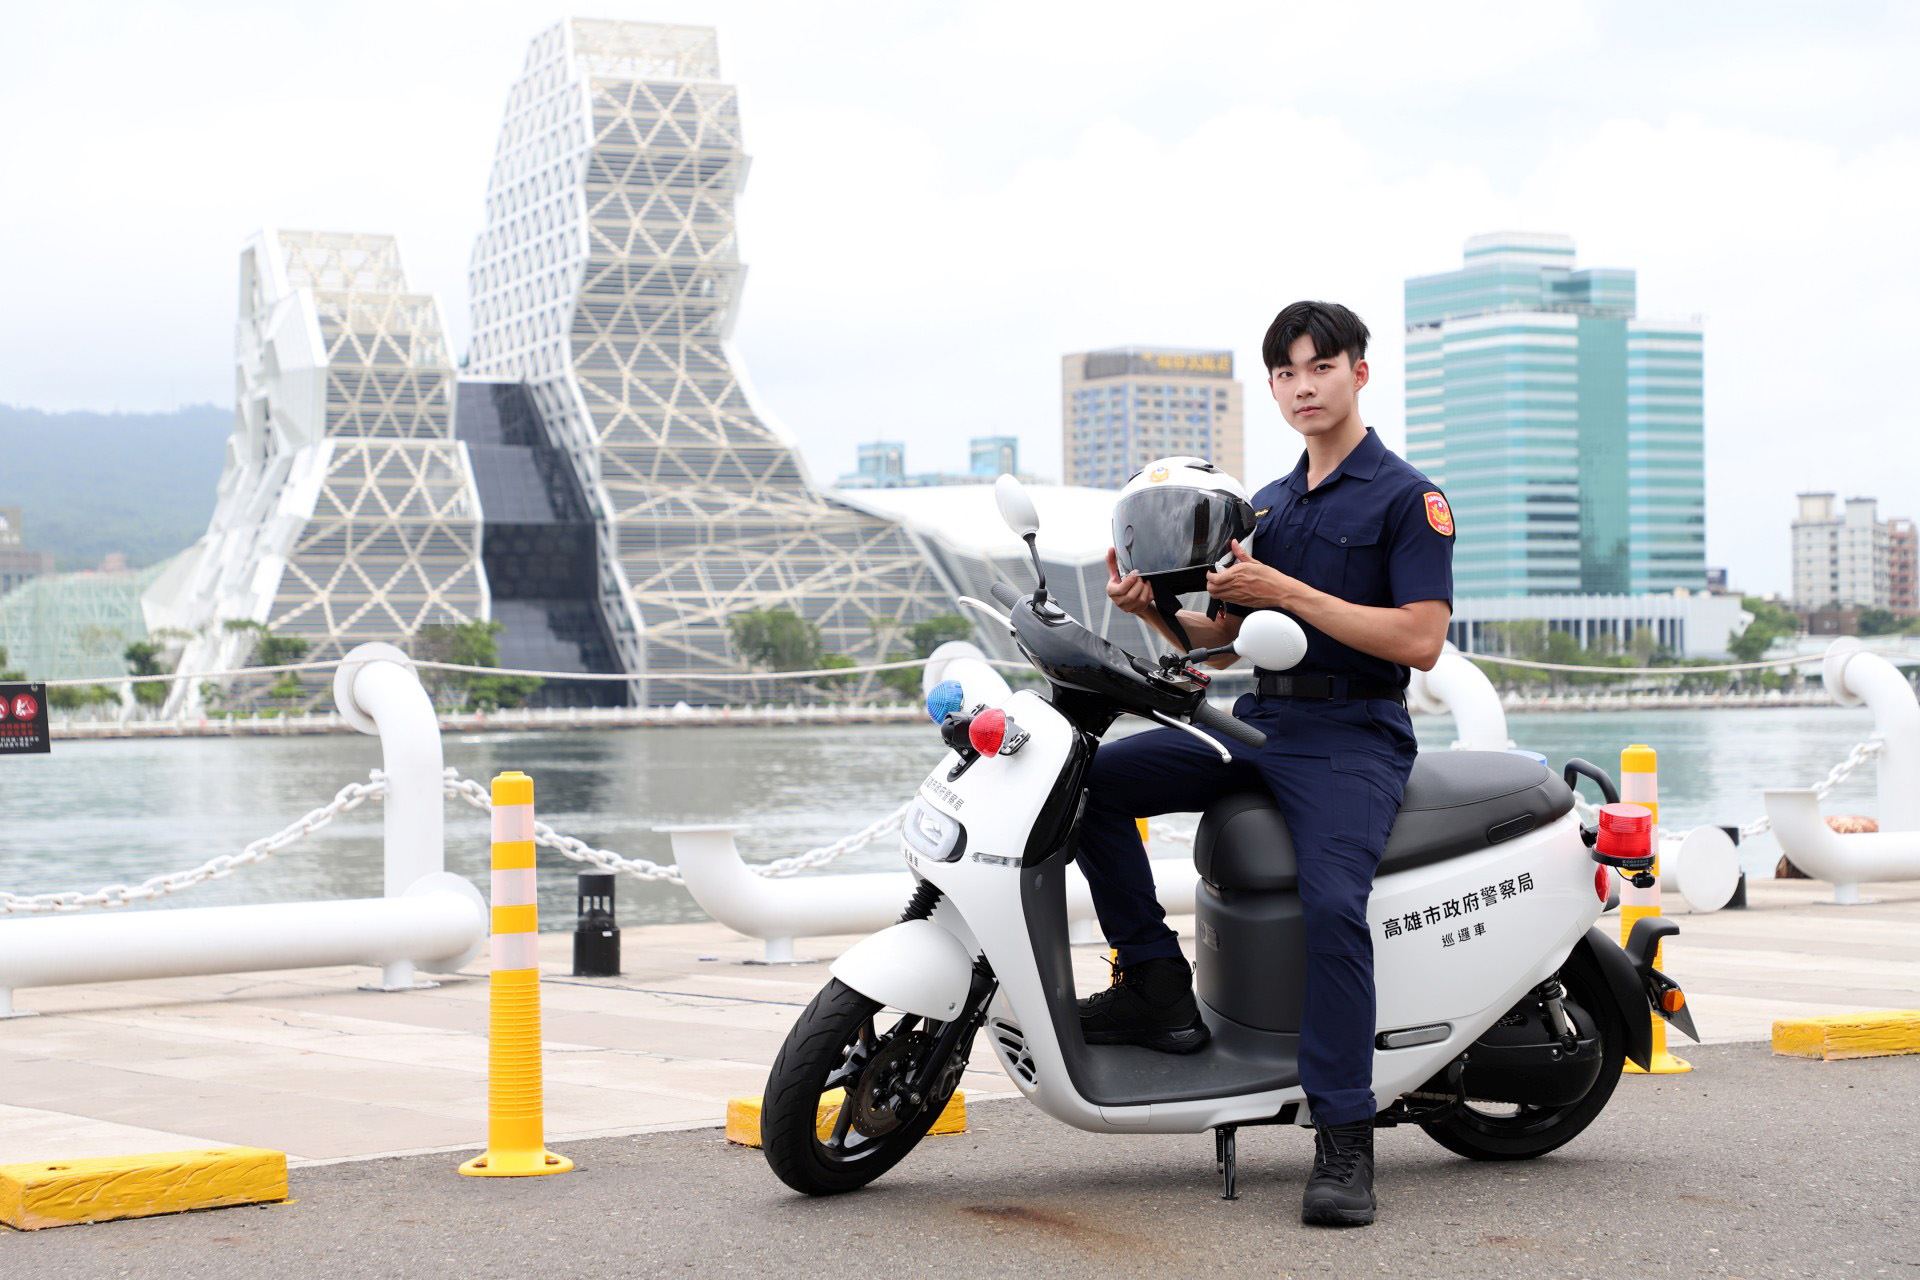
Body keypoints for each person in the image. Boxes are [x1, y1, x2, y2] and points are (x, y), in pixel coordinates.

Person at [1076, 300, 1454, 1227]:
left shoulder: (1410, 499)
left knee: (1332, 905)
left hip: (1353, 735)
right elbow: (1224, 641)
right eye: (1284, 374)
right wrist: (1148, 612)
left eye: (1318, 367)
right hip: (1258, 722)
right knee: (1085, 783)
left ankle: (1345, 1139)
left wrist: (1281, 586)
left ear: (1359, 372)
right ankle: (1157, 985)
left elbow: (1421, 640)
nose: (1301, 387)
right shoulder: (1268, 508)